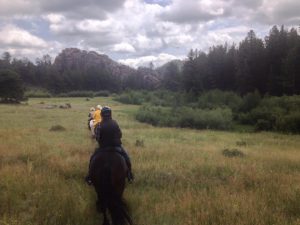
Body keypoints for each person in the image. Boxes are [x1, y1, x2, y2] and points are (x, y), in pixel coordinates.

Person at [85, 106, 134, 185]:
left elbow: (97, 138)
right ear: (110, 114)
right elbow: (120, 134)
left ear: (102, 115)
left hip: (103, 148)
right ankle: (129, 175)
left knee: (92, 159)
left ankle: (89, 177)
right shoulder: (115, 123)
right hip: (116, 147)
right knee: (127, 158)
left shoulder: (99, 125)